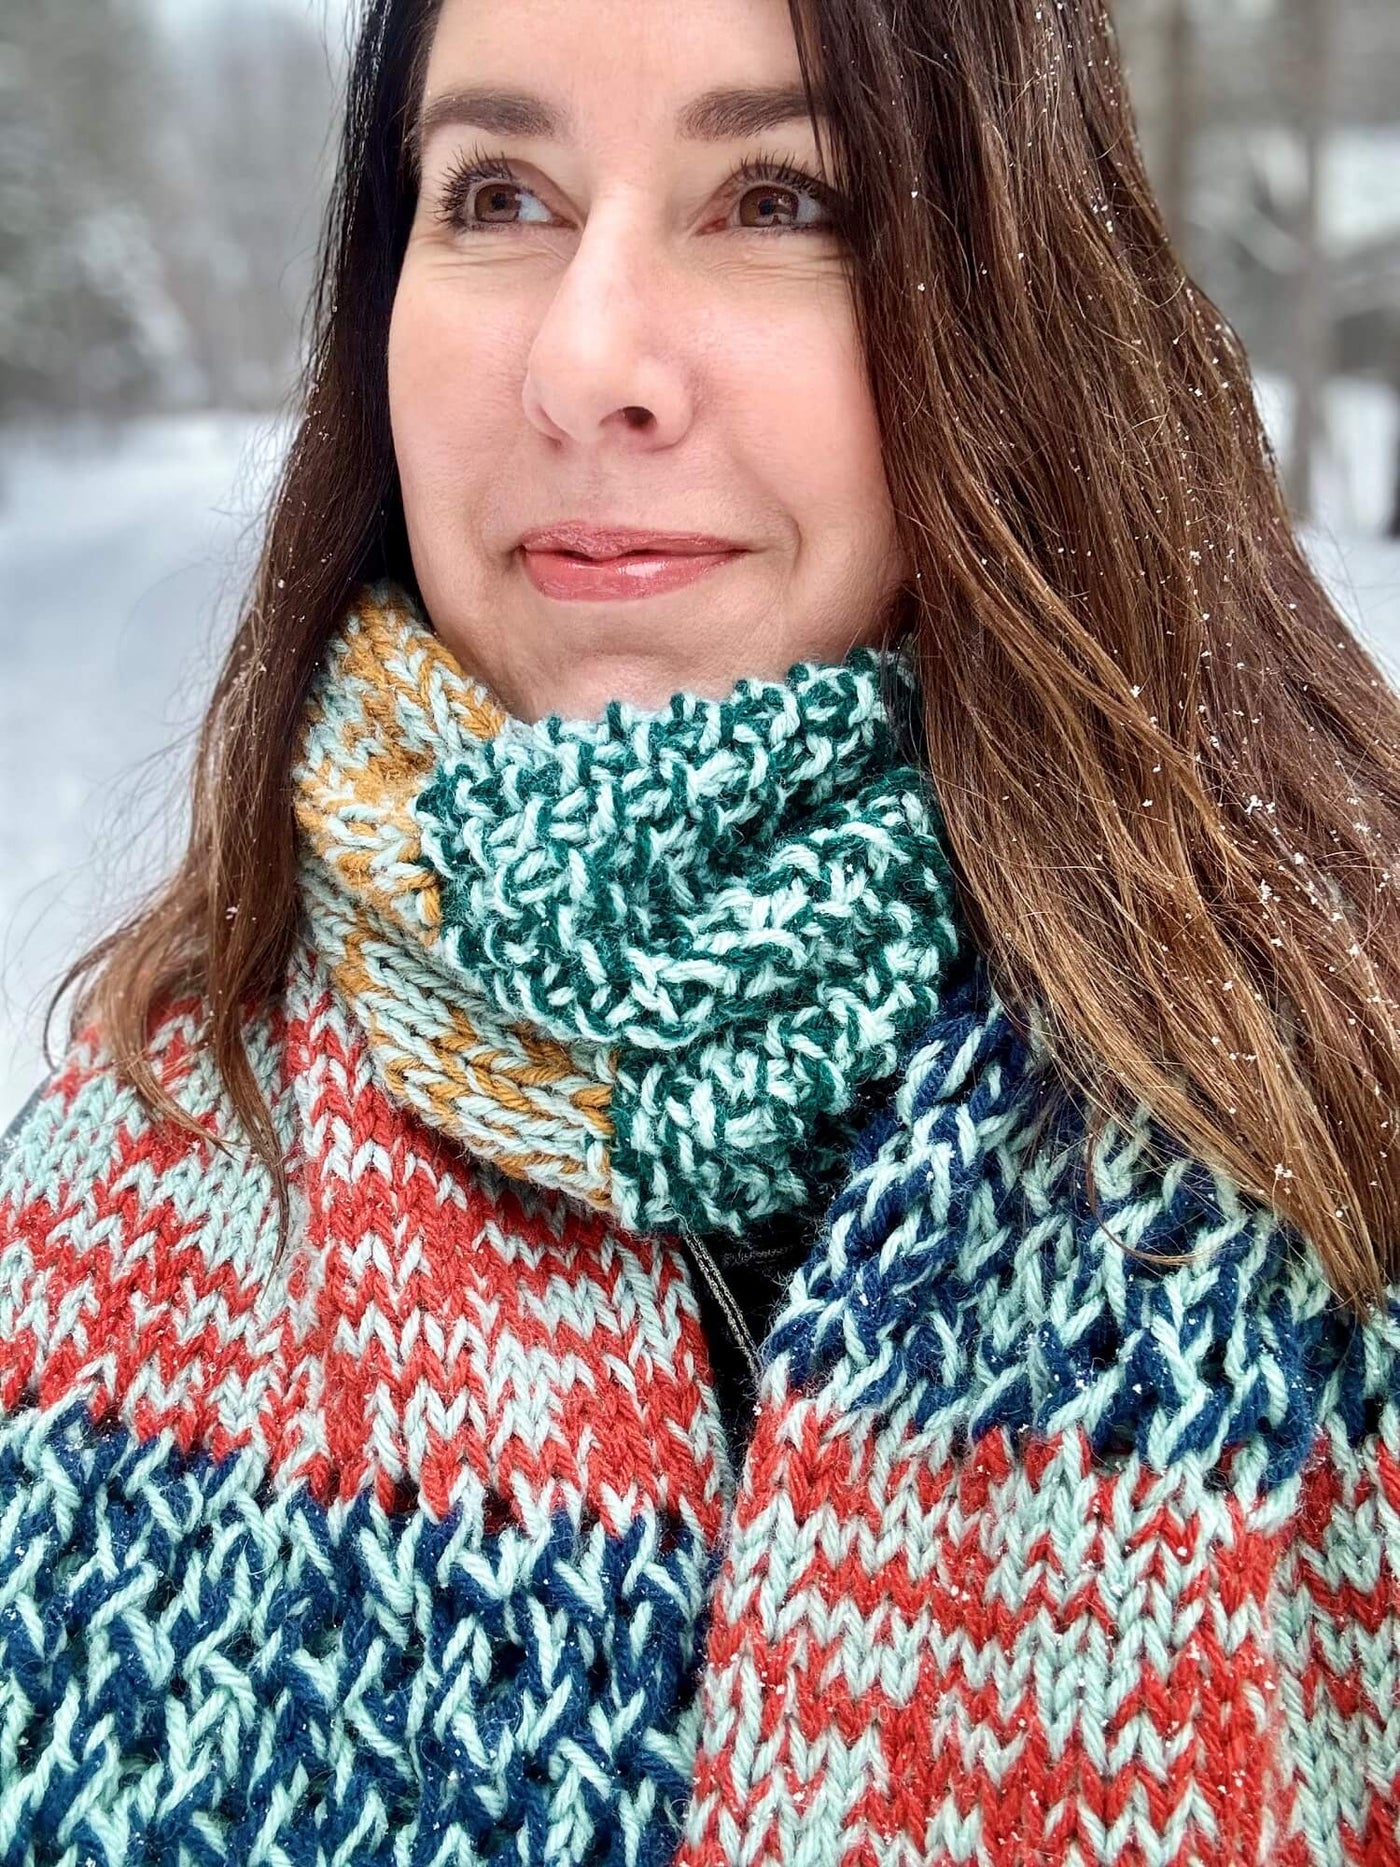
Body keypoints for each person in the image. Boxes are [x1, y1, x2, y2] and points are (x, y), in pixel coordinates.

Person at [2, 0, 1398, 1860]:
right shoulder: (72, 1250)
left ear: (1016, 301)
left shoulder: (1343, 1154)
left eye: (778, 199)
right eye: (497, 195)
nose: (589, 365)